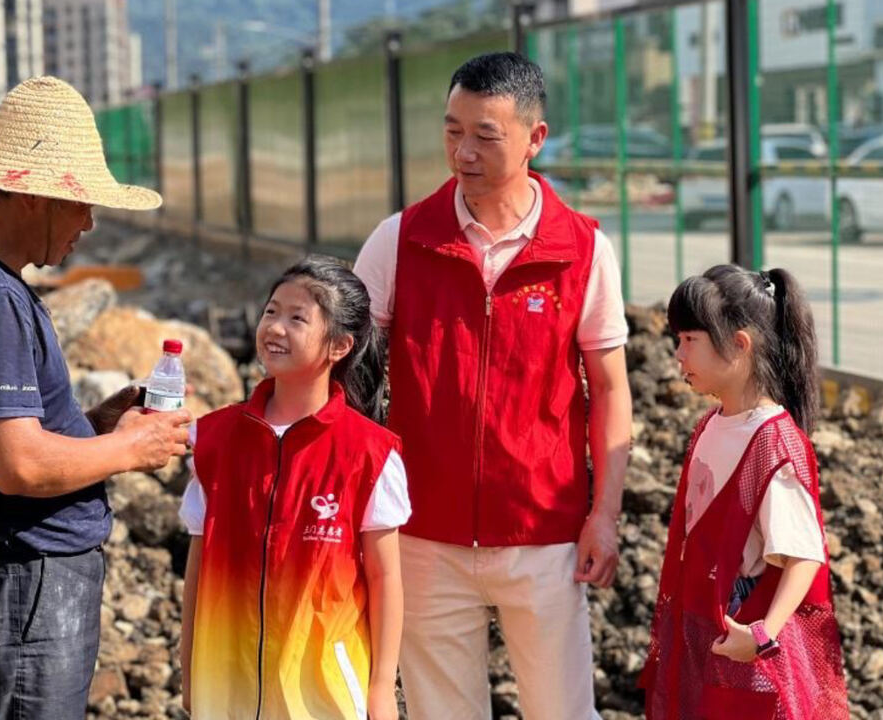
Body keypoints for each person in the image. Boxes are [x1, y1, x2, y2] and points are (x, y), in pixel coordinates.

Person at [0, 76, 192, 719]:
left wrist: (93, 425)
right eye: (80, 203)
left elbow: (1, 439)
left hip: (7, 583)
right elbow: (19, 465)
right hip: (24, 585)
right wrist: (131, 447)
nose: (88, 222)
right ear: (33, 196)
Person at [353, 52, 632, 719]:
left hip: (544, 533)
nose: (463, 152)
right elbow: (350, 371)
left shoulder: (583, 250)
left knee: (563, 712)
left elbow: (610, 390)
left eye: (485, 135)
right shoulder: (399, 240)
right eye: (453, 131)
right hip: (422, 532)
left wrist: (604, 515)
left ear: (536, 138)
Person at [178, 256, 410, 719]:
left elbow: (385, 579)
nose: (275, 327)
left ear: (339, 345)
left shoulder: (370, 453)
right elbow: (198, 568)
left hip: (323, 695)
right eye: (271, 311)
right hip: (224, 686)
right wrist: (190, 669)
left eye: (297, 318)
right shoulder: (213, 439)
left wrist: (382, 687)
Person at [639, 265, 850, 719]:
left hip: (744, 647)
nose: (678, 354)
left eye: (689, 339)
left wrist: (761, 635)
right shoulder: (710, 425)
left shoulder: (772, 442)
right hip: (704, 631)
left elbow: (804, 555)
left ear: (739, 344)